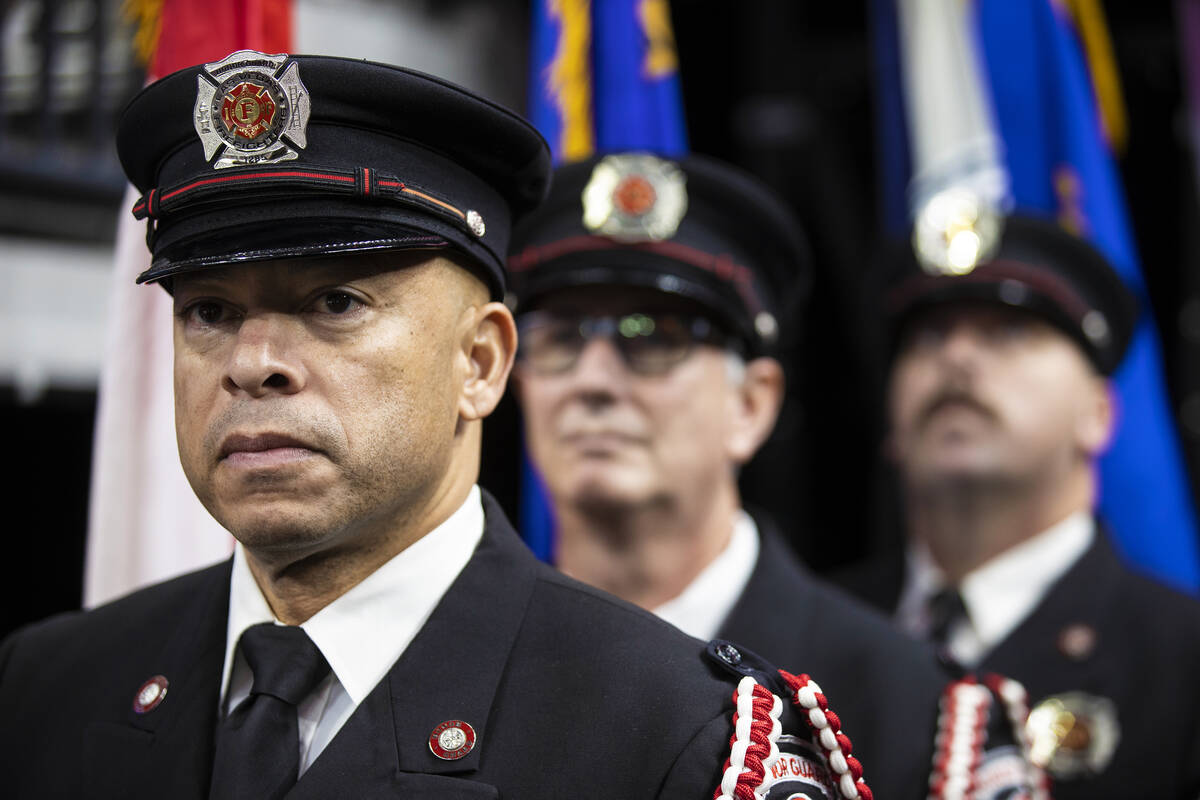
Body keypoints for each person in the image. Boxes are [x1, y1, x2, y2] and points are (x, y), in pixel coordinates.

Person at [0, 53, 869, 800]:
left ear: (482, 363)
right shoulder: (45, 687)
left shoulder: (674, 737)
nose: (251, 360)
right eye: (210, 311)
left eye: (334, 302)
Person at [508, 151, 964, 799]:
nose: (592, 380)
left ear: (751, 406)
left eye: (654, 337)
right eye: (558, 339)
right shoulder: (453, 665)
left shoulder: (908, 702)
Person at [839, 213, 1200, 797]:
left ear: (1099, 414)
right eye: (928, 336)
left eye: (1007, 333)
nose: (956, 357)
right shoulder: (799, 638)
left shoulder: (1183, 662)